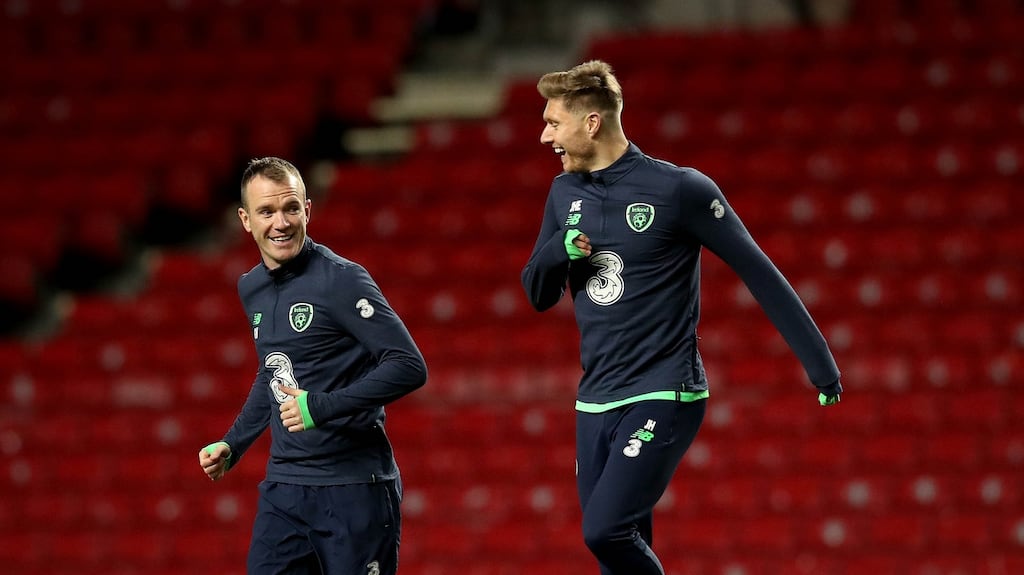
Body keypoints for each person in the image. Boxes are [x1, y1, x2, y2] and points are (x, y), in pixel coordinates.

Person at [520, 60, 842, 575]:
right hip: (595, 399)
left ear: (592, 123)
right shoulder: (564, 195)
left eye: (553, 122)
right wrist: (558, 250)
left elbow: (758, 271)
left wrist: (820, 365)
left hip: (664, 390)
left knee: (603, 531)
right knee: (618, 550)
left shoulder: (679, 190)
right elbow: (537, 292)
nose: (544, 136)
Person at [198, 157, 428, 575]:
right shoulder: (250, 287)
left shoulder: (342, 280)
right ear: (245, 220)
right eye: (266, 212)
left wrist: (319, 406)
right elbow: (273, 371)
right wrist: (234, 443)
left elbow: (409, 365)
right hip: (285, 490)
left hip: (354, 487)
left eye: (290, 208)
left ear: (307, 210)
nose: (280, 222)